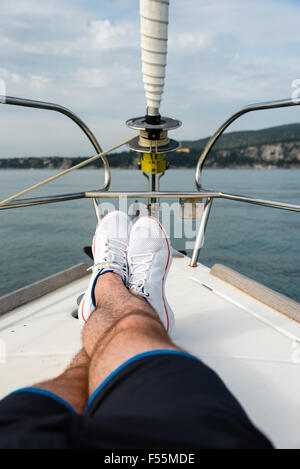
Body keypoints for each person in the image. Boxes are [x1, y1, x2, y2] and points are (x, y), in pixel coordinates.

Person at [0, 211, 272, 449]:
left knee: (75, 379)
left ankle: (106, 281)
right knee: (133, 328)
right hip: (187, 436)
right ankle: (140, 306)